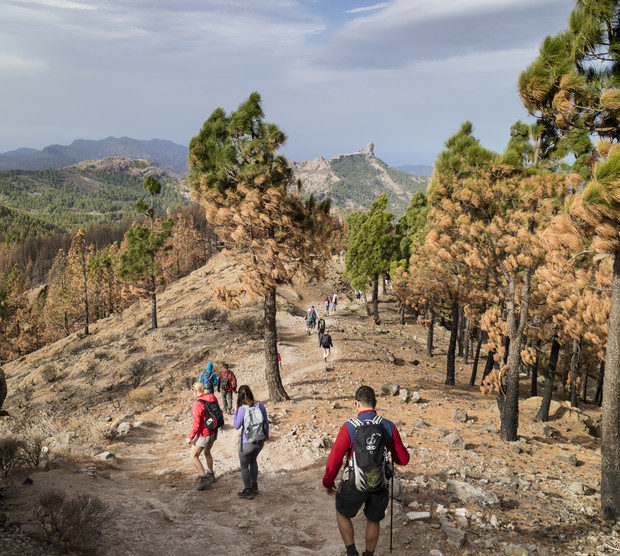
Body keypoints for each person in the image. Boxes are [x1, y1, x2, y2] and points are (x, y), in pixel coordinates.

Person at [323, 386, 410, 556]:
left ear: (357, 404)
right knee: (373, 519)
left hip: (354, 483)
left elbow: (335, 458)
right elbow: (403, 459)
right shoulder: (388, 426)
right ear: (375, 403)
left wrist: (328, 482)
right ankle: (368, 554)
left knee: (342, 511)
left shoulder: (349, 426)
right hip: (379, 483)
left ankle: (351, 552)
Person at [234, 385, 270, 500]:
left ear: (240, 396)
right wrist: (266, 436)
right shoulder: (260, 405)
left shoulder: (242, 409)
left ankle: (248, 490)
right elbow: (266, 422)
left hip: (247, 443)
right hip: (260, 441)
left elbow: (236, 426)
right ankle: (254, 487)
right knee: (253, 461)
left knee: (244, 465)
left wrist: (236, 411)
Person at [186, 381, 220, 491]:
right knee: (207, 452)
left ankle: (204, 479)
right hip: (213, 431)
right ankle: (211, 475)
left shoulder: (198, 404)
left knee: (193, 456)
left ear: (195, 391)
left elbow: (196, 424)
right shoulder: (212, 397)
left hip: (204, 433)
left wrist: (190, 438)